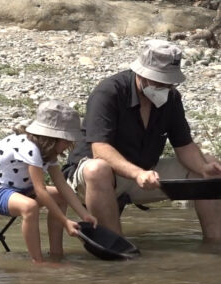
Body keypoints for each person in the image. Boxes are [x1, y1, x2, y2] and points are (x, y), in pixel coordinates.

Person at [64, 39, 221, 239]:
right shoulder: (109, 92)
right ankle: (115, 247)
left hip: (145, 174)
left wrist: (202, 167)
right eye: (159, 81)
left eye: (169, 83)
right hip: (96, 179)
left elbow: (184, 145)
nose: (164, 86)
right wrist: (138, 173)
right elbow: (100, 149)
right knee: (98, 169)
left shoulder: (171, 98)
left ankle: (215, 245)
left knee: (210, 168)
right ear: (141, 74)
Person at [0, 100, 98, 263]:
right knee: (29, 207)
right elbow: (40, 191)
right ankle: (38, 262)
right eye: (67, 140)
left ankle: (56, 254)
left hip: (20, 189)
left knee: (60, 197)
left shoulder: (49, 152)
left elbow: (62, 186)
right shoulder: (29, 148)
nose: (69, 145)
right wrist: (65, 221)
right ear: (52, 137)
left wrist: (84, 214)